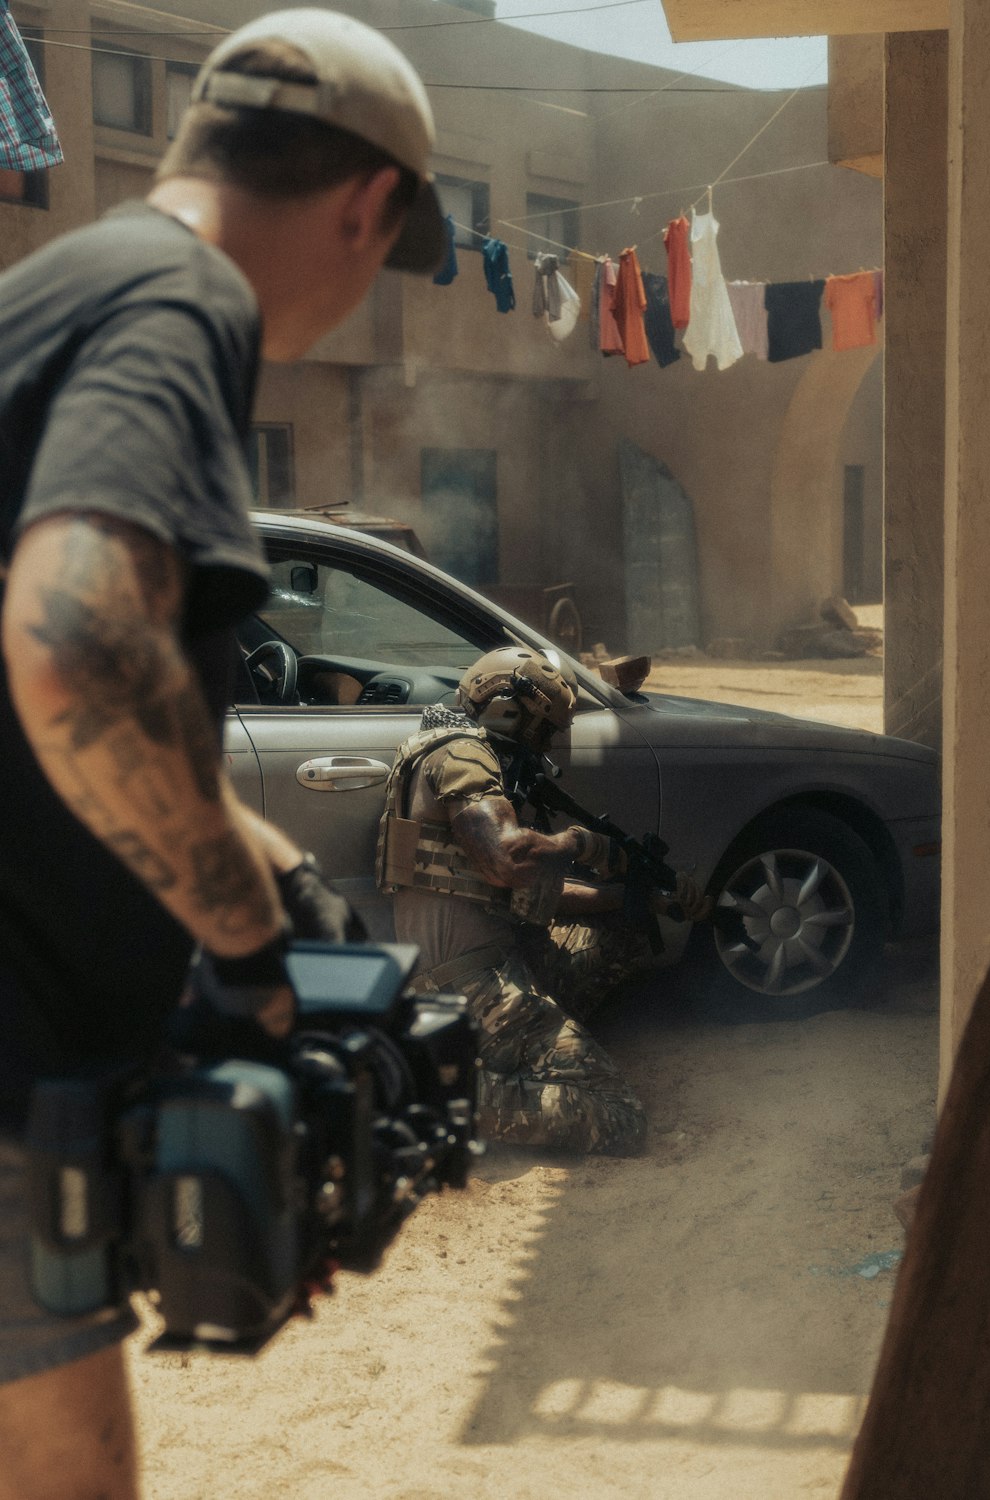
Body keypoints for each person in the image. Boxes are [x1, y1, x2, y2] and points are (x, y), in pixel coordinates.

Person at [0, 11, 446, 1498]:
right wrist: (252, 959)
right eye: (388, 251)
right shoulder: (182, 304)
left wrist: (288, 902)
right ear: (368, 204)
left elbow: (122, 742)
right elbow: (71, 642)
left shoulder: (60, 290)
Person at [377, 646, 707, 1157]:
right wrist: (580, 844)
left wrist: (638, 897)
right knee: (618, 1114)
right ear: (507, 708)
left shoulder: (446, 756)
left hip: (477, 971)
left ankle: (523, 1054)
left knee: (625, 927)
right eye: (543, 728)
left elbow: (530, 895)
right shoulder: (463, 755)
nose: (546, 743)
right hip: (471, 988)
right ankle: (446, 1097)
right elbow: (509, 859)